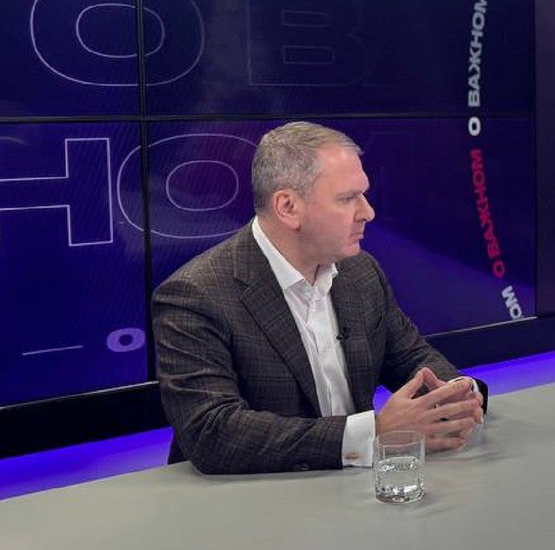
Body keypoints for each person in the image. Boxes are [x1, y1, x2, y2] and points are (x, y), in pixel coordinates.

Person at [153, 122, 485, 474]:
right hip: (252, 497)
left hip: (354, 487)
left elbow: (410, 356)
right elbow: (212, 432)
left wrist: (456, 395)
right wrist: (373, 433)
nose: (367, 212)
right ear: (288, 207)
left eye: (363, 194)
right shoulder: (196, 295)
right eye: (347, 198)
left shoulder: (360, 272)